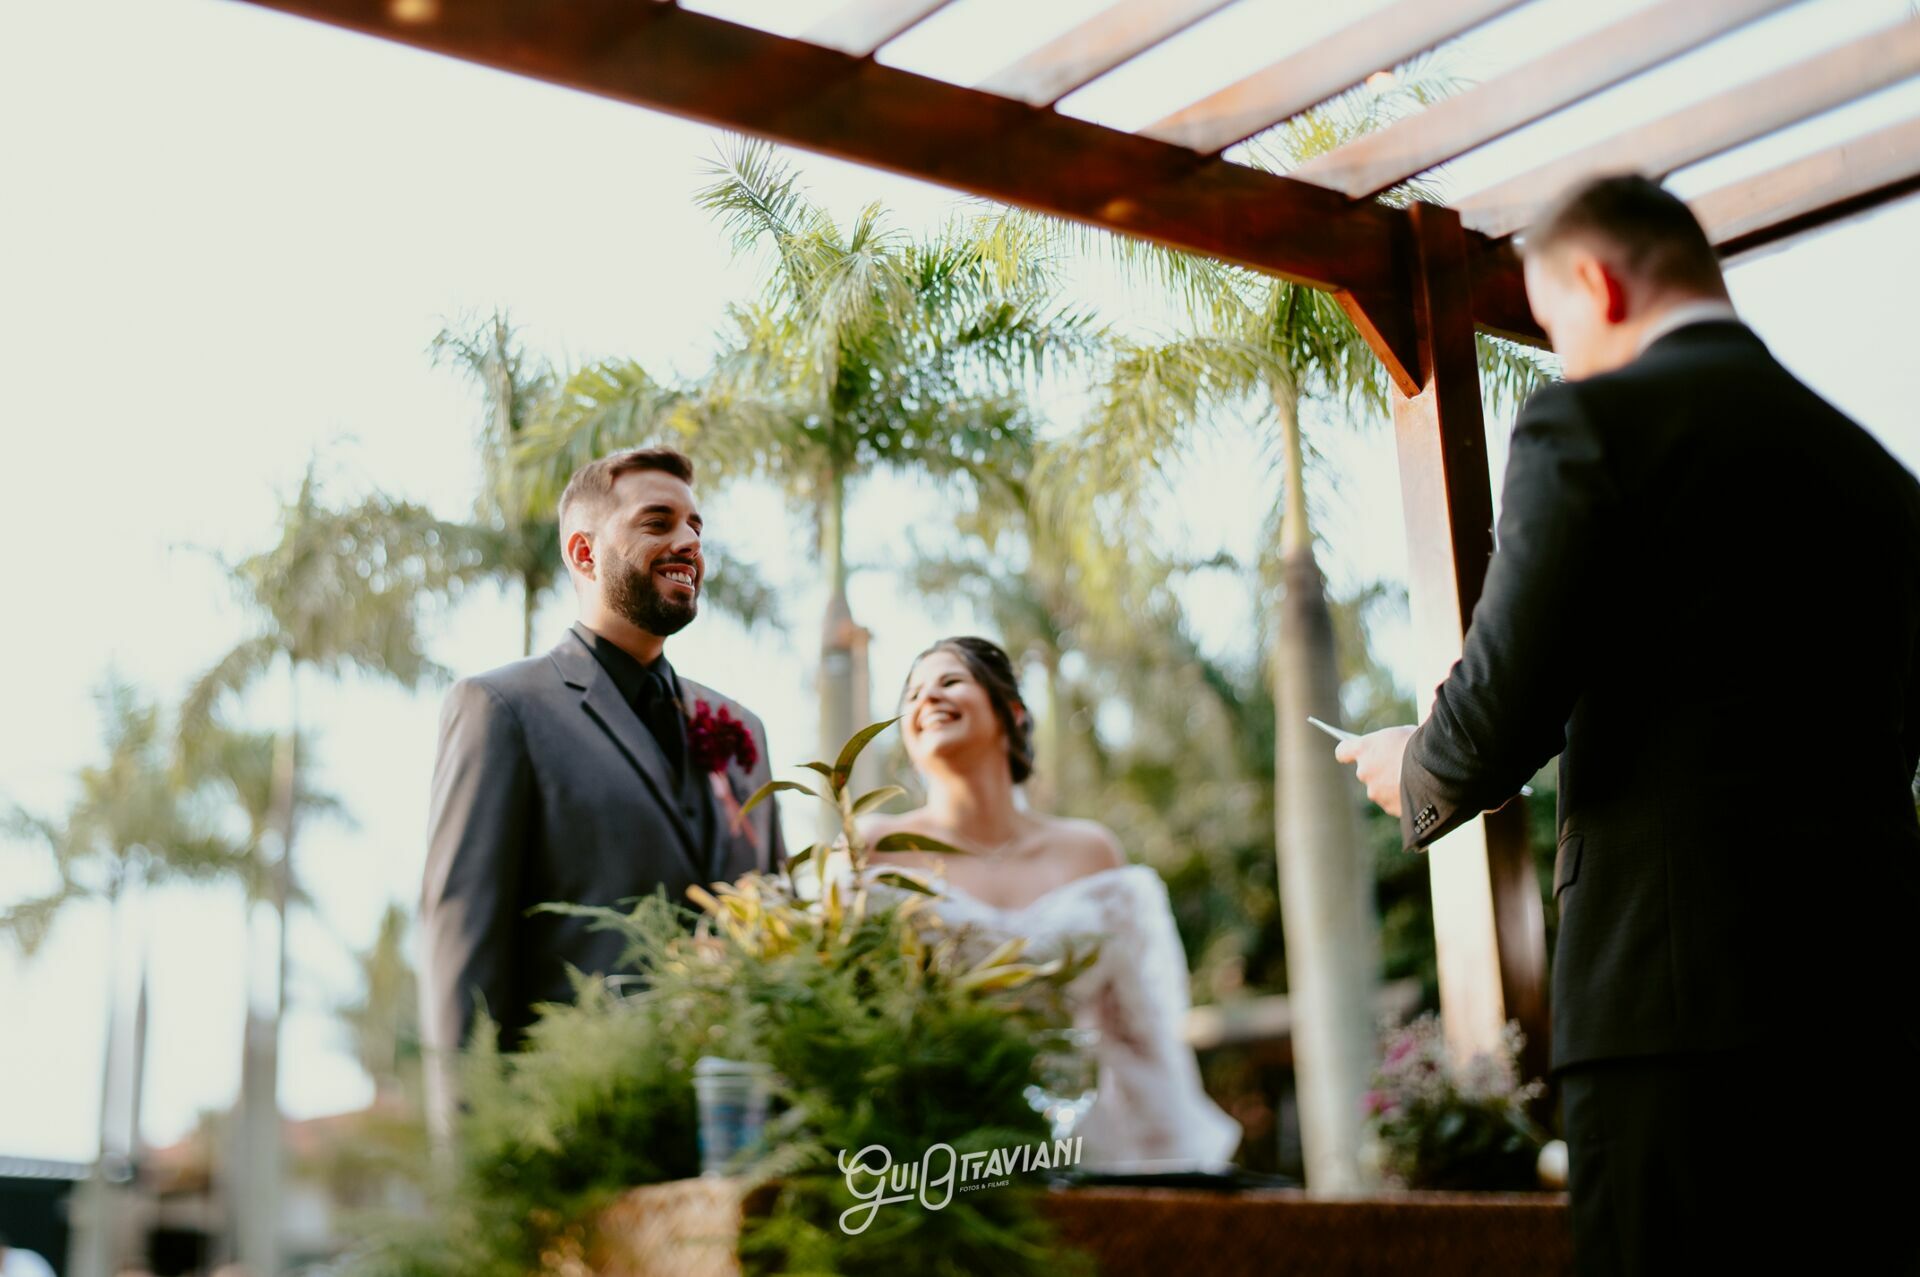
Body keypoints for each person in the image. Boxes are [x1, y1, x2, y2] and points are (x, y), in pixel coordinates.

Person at [1333, 174, 1920, 1273]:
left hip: (1673, 1018)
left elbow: (1501, 702)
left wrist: (1412, 763)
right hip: (1874, 1019)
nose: (1562, 361)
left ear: (1595, 285)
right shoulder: (1879, 476)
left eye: (1558, 329)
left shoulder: (1588, 420)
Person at [419, 446, 786, 1136]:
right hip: (572, 1142)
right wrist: (478, 1185)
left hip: (743, 1152)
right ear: (584, 553)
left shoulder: (744, 733)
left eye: (696, 526)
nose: (688, 542)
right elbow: (462, 953)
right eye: (658, 521)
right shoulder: (502, 709)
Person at [858, 636, 1242, 1170]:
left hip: (1086, 1142)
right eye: (913, 695)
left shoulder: (1090, 850)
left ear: (1011, 712)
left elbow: (1140, 1025)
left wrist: (1168, 1150)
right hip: (933, 1141)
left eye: (949, 682)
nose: (927, 700)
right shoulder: (874, 847)